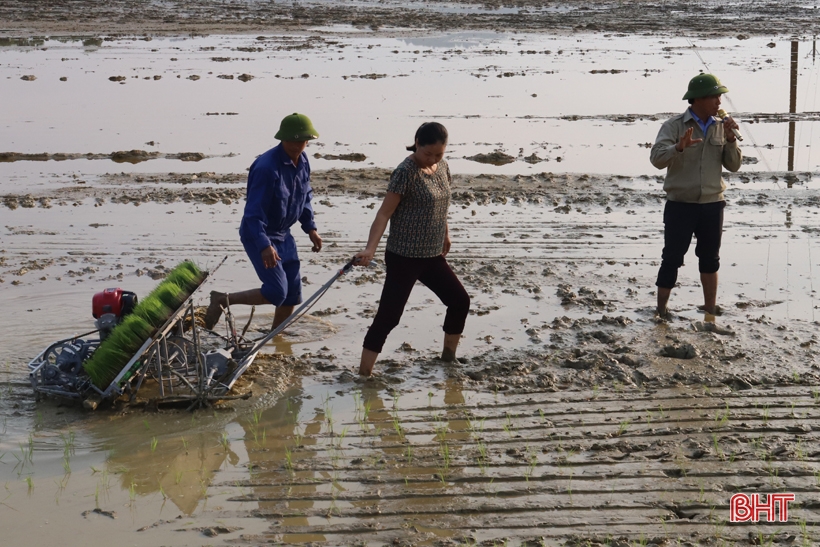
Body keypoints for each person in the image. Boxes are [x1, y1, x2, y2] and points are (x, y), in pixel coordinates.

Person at [354, 122, 470, 376]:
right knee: (389, 317)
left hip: (432, 255)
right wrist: (370, 249)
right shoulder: (405, 172)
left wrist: (445, 235)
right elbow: (384, 214)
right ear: (417, 142)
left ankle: (448, 359)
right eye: (428, 153)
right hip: (404, 257)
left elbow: (442, 204)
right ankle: (364, 374)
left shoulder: (443, 167)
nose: (432, 158)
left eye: (439, 154)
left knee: (459, 301)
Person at [204, 113, 323, 330]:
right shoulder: (267, 168)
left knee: (292, 292)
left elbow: (304, 197)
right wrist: (264, 245)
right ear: (283, 139)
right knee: (277, 290)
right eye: (293, 141)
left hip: (283, 233)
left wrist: (310, 228)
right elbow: (253, 212)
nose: (298, 146)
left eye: (302, 141)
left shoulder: (303, 162)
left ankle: (275, 336)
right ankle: (222, 300)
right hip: (258, 233)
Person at [650, 74, 742, 318]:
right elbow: (657, 160)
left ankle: (710, 309)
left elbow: (733, 166)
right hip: (681, 204)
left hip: (712, 204)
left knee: (710, 259)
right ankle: (661, 310)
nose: (719, 101)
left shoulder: (721, 126)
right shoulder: (674, 126)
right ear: (698, 99)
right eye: (714, 96)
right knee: (671, 258)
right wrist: (679, 147)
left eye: (720, 96)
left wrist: (731, 139)